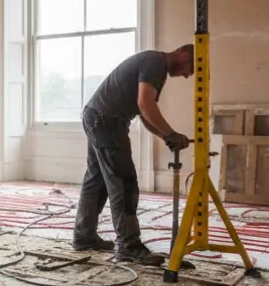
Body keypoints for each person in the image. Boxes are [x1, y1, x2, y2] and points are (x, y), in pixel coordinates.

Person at [72, 45, 194, 266]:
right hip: (107, 120)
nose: (186, 75)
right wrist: (170, 133)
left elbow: (145, 113)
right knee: (124, 182)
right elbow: (144, 104)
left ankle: (84, 236)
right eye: (189, 69)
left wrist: (166, 136)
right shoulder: (155, 63)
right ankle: (129, 246)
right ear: (184, 55)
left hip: (96, 116)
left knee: (96, 180)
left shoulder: (155, 65)